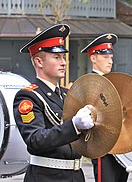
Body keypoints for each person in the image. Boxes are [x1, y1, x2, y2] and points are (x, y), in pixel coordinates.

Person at [13, 24, 95, 182]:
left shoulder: (67, 95)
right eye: (56, 57)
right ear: (39, 62)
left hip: (76, 175)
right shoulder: (28, 97)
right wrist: (73, 126)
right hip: (46, 176)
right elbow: (35, 139)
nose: (63, 62)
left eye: (63, 57)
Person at [81, 33, 129, 182]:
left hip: (120, 145)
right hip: (103, 148)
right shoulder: (89, 83)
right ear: (93, 58)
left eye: (111, 57)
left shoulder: (114, 82)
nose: (110, 61)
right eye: (105, 57)